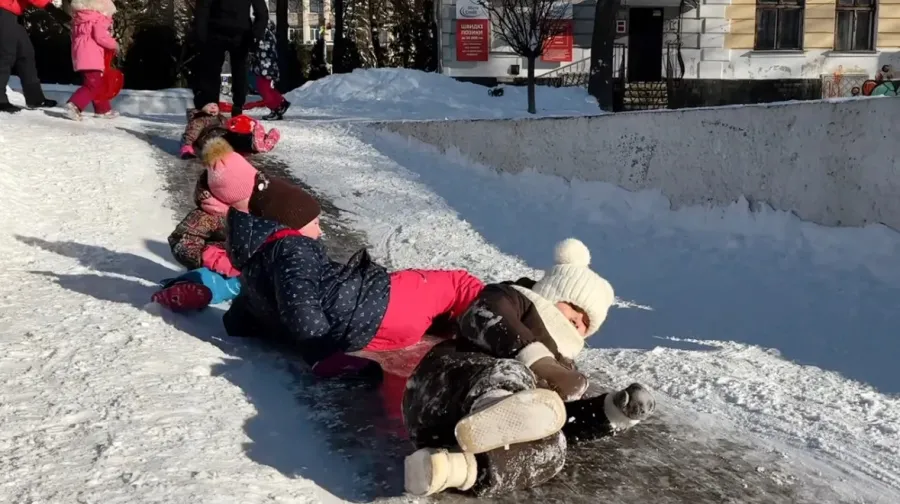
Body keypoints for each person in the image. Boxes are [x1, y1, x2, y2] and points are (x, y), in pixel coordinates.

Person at [400, 239, 656, 496]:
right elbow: (484, 313)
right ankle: (495, 408)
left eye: (585, 323)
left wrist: (610, 411)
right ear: (553, 290)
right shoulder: (515, 299)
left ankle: (448, 469)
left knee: (554, 447)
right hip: (441, 391)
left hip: (449, 438)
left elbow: (560, 417)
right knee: (514, 374)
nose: (577, 320)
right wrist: (537, 360)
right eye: (575, 307)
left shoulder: (564, 364)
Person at [221, 183, 486, 378]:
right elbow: (299, 303)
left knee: (419, 298)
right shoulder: (294, 248)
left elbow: (241, 315)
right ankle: (507, 310)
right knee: (455, 282)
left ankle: (448, 319)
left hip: (365, 333)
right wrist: (322, 356)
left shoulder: (255, 266)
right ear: (290, 227)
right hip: (374, 308)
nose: (320, 229)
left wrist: (238, 323)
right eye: (314, 222)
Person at [152, 133, 268, 311]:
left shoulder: (256, 208)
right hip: (221, 269)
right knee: (210, 279)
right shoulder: (208, 216)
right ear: (229, 197)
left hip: (253, 266)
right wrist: (212, 257)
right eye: (247, 197)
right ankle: (187, 291)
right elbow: (182, 242)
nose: (254, 201)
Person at [191, 0, 268, 118]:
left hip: (218, 31)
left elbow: (203, 8)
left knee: (213, 72)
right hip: (238, 32)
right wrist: (256, 35)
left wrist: (200, 35)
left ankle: (213, 107)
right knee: (239, 71)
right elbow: (262, 12)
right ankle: (237, 106)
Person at [0, 0, 59, 113]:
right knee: (5, 55)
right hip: (3, 10)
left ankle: (35, 98)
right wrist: (48, 6)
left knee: (26, 53)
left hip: (12, 13)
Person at [64, 0, 119, 120]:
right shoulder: (99, 18)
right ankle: (74, 105)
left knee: (96, 83)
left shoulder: (80, 19)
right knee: (93, 85)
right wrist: (114, 44)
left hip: (81, 54)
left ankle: (103, 109)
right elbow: (100, 37)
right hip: (92, 55)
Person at [180, 104, 279, 159]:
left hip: (225, 136)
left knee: (236, 137)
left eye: (215, 105)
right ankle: (254, 143)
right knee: (234, 140)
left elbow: (228, 126)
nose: (213, 108)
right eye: (210, 106)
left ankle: (258, 142)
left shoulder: (221, 117)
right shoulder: (199, 119)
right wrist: (187, 147)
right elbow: (191, 133)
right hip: (212, 139)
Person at [250, 20, 290, 120]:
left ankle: (276, 108)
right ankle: (280, 104)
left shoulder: (264, 34)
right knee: (267, 89)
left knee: (264, 89)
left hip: (266, 67)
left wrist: (252, 48)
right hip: (266, 67)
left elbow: (261, 49)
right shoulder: (268, 34)